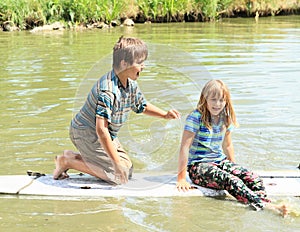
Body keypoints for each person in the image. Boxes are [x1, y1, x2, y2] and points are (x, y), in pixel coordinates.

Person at [53, 36, 180, 185]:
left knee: (128, 170)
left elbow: (141, 105)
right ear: (124, 64)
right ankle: (67, 161)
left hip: (106, 134)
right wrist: (116, 164)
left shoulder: (129, 84)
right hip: (86, 133)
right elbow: (101, 130)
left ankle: (72, 156)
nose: (143, 66)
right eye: (139, 63)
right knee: (117, 175)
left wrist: (165, 115)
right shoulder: (108, 91)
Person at [176, 79, 288, 216]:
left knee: (253, 178)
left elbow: (227, 145)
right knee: (230, 180)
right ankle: (267, 206)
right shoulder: (195, 118)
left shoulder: (225, 117)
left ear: (226, 101)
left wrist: (234, 168)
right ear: (204, 99)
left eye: (221, 100)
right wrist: (181, 178)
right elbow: (184, 147)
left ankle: (261, 202)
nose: (217, 104)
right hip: (198, 167)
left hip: (220, 162)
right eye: (213, 100)